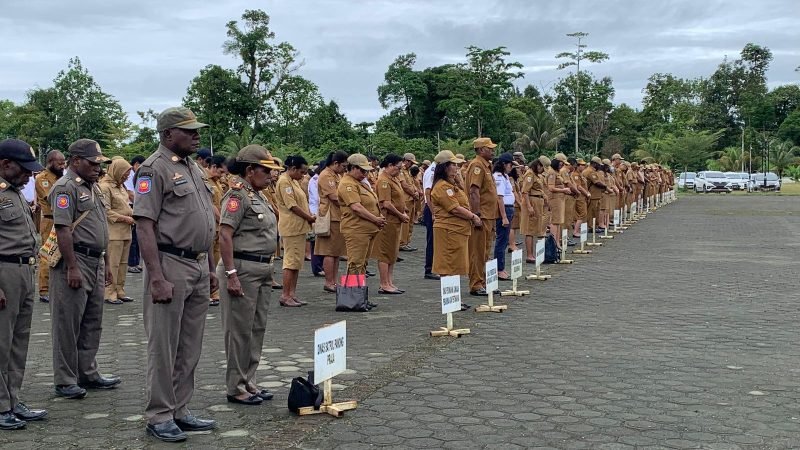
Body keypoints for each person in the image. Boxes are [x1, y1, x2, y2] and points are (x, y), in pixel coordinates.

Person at [134, 107, 218, 442]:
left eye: (197, 130)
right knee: (163, 346)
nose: (197, 136)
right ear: (169, 134)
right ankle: (159, 415)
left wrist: (210, 267)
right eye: (190, 131)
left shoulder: (192, 167)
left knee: (189, 345)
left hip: (197, 265)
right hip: (170, 264)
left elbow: (204, 221)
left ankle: (180, 409)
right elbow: (144, 225)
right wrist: (156, 277)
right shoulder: (153, 169)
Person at [49, 139, 119, 400]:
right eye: (93, 164)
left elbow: (101, 228)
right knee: (68, 324)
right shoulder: (65, 187)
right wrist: (72, 267)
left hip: (95, 260)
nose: (98, 169)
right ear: (76, 161)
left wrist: (107, 264)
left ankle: (87, 372)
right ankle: (65, 380)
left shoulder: (94, 187)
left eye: (100, 164)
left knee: (92, 321)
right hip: (76, 260)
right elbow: (63, 229)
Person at [217, 146, 280, 406]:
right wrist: (231, 273)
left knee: (256, 329)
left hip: (262, 268)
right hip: (242, 269)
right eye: (266, 170)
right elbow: (225, 234)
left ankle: (248, 380)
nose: (271, 175)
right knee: (239, 331)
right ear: (250, 170)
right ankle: (235, 386)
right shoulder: (237, 195)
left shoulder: (258, 195)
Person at [0, 139, 48, 429]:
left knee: (19, 342)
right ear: (5, 164)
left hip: (24, 270)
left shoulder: (14, 192)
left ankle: (12, 399)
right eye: (24, 168)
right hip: (4, 272)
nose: (30, 175)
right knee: (1, 343)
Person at [430, 150, 480, 310]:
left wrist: (458, 179)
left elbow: (463, 198)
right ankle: (451, 300)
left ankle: (454, 299)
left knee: (455, 265)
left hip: (457, 231)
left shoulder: (451, 185)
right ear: (444, 167)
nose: (456, 167)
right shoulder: (441, 187)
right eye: (452, 165)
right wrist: (473, 217)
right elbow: (455, 208)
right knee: (448, 265)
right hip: (448, 230)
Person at [275, 155, 315, 307]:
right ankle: (285, 295)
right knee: (290, 262)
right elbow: (292, 205)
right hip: (291, 227)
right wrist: (309, 217)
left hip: (299, 227)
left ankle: (292, 294)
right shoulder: (284, 181)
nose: (303, 175)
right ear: (292, 169)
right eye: (301, 172)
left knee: (296, 263)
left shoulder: (294, 181)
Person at [338, 154, 386, 278]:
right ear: (353, 168)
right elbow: (356, 207)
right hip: (357, 229)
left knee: (363, 263)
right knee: (355, 264)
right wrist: (375, 219)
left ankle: (359, 289)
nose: (365, 174)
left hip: (367, 230)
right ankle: (353, 289)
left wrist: (378, 217)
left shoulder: (360, 183)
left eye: (366, 171)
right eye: (362, 170)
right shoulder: (347, 184)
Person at [466, 137, 499, 296]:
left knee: (485, 251)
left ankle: (483, 281)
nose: (492, 151)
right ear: (480, 150)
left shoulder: (486, 165)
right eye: (489, 148)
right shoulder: (477, 165)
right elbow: (474, 191)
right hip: (482, 216)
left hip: (489, 215)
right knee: (477, 252)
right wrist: (476, 214)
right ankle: (476, 284)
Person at [99, 157, 135, 305]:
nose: (126, 176)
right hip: (113, 232)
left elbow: (126, 205)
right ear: (117, 171)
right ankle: (109, 292)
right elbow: (106, 211)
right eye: (125, 173)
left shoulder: (121, 186)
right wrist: (125, 218)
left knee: (123, 263)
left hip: (126, 231)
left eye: (128, 174)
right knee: (112, 264)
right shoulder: (104, 187)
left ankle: (120, 289)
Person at [371, 154, 408, 294]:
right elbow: (386, 203)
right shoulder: (383, 181)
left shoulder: (393, 179)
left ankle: (389, 282)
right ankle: (384, 283)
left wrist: (403, 210)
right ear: (390, 165)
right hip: (388, 220)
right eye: (398, 168)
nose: (399, 171)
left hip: (396, 221)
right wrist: (400, 214)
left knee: (392, 253)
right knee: (385, 253)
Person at [34, 150, 66, 304]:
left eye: (64, 163)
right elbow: (52, 197)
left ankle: (58, 286)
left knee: (63, 254)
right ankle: (44, 289)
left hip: (64, 220)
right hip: (50, 221)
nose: (63, 166)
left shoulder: (63, 177)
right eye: (60, 163)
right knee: (48, 253)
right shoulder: (42, 178)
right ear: (50, 162)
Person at [315, 151, 348, 293]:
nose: (344, 169)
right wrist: (350, 203)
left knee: (336, 252)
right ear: (336, 163)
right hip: (330, 217)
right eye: (343, 166)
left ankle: (334, 281)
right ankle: (329, 282)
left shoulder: (336, 175)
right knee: (329, 251)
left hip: (338, 216)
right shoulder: (326, 175)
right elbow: (334, 197)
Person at [207, 155, 228, 307]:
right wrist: (222, 220)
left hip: (218, 227)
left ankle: (215, 291)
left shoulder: (217, 182)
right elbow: (211, 204)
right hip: (212, 225)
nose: (222, 175)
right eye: (221, 172)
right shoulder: (205, 181)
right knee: (209, 261)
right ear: (213, 167)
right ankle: (209, 292)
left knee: (217, 258)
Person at [520, 156, 549, 263]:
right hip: (532, 202)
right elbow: (525, 192)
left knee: (534, 228)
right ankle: (529, 255)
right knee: (529, 229)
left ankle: (533, 254)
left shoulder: (537, 175)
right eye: (542, 168)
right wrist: (529, 207)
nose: (542, 171)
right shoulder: (530, 174)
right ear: (538, 165)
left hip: (537, 202)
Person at [492, 153, 515, 280]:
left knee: (504, 240)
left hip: (509, 208)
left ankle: (501, 267)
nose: (512, 167)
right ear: (504, 164)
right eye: (510, 164)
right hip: (504, 209)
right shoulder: (499, 177)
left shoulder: (505, 176)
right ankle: (499, 269)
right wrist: (504, 216)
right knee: (501, 241)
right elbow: (499, 198)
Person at [126, 155, 145, 274]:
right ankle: (132, 263)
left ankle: (136, 262)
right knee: (132, 238)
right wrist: (140, 207)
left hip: (136, 206)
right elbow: (130, 194)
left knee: (137, 238)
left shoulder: (136, 174)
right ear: (136, 164)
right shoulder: (129, 175)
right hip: (132, 207)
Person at [546, 154, 570, 249]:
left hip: (560, 199)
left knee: (559, 221)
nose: (562, 165)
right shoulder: (552, 172)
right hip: (555, 199)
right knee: (555, 221)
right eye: (561, 163)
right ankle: (553, 244)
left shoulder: (557, 172)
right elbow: (551, 188)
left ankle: (557, 242)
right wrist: (563, 190)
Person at [421, 158, 439, 280]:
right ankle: (429, 269)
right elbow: (428, 192)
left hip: (433, 208)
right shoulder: (432, 172)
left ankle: (433, 267)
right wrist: (433, 212)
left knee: (435, 240)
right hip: (431, 208)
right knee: (432, 240)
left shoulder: (433, 170)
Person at [398, 153, 420, 252]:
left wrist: (416, 192)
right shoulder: (401, 171)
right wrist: (413, 194)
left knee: (410, 222)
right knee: (406, 223)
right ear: (406, 161)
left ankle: (407, 241)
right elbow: (404, 186)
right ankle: (402, 243)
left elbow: (411, 183)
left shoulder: (408, 171)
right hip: (406, 199)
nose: (412, 164)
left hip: (411, 199)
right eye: (411, 162)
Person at [308, 161, 325, 277]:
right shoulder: (315, 180)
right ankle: (317, 267)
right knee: (316, 241)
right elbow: (317, 198)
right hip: (316, 212)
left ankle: (321, 266)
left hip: (321, 212)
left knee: (322, 241)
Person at [582, 157, 607, 231]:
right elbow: (597, 183)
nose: (600, 166)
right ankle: (591, 226)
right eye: (599, 165)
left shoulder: (592, 171)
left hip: (595, 195)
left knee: (595, 211)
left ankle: (594, 226)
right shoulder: (590, 171)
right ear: (594, 164)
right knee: (592, 212)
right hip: (593, 195)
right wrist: (605, 186)